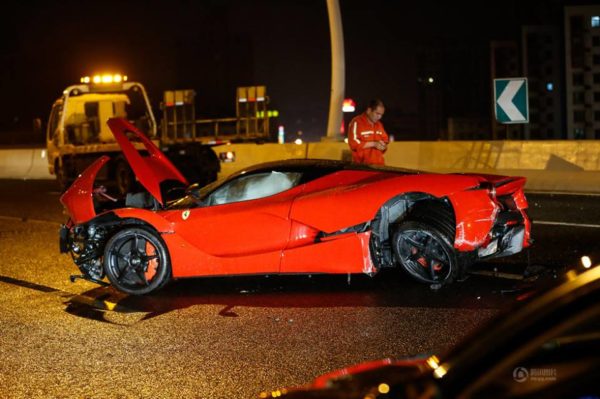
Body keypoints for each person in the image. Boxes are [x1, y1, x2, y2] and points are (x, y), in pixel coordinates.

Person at [347, 99, 389, 165]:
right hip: (361, 166)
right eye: (377, 113)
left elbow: (385, 140)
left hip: (380, 165)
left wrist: (383, 146)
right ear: (369, 110)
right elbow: (353, 143)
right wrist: (374, 144)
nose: (379, 117)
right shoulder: (356, 122)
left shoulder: (379, 125)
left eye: (381, 115)